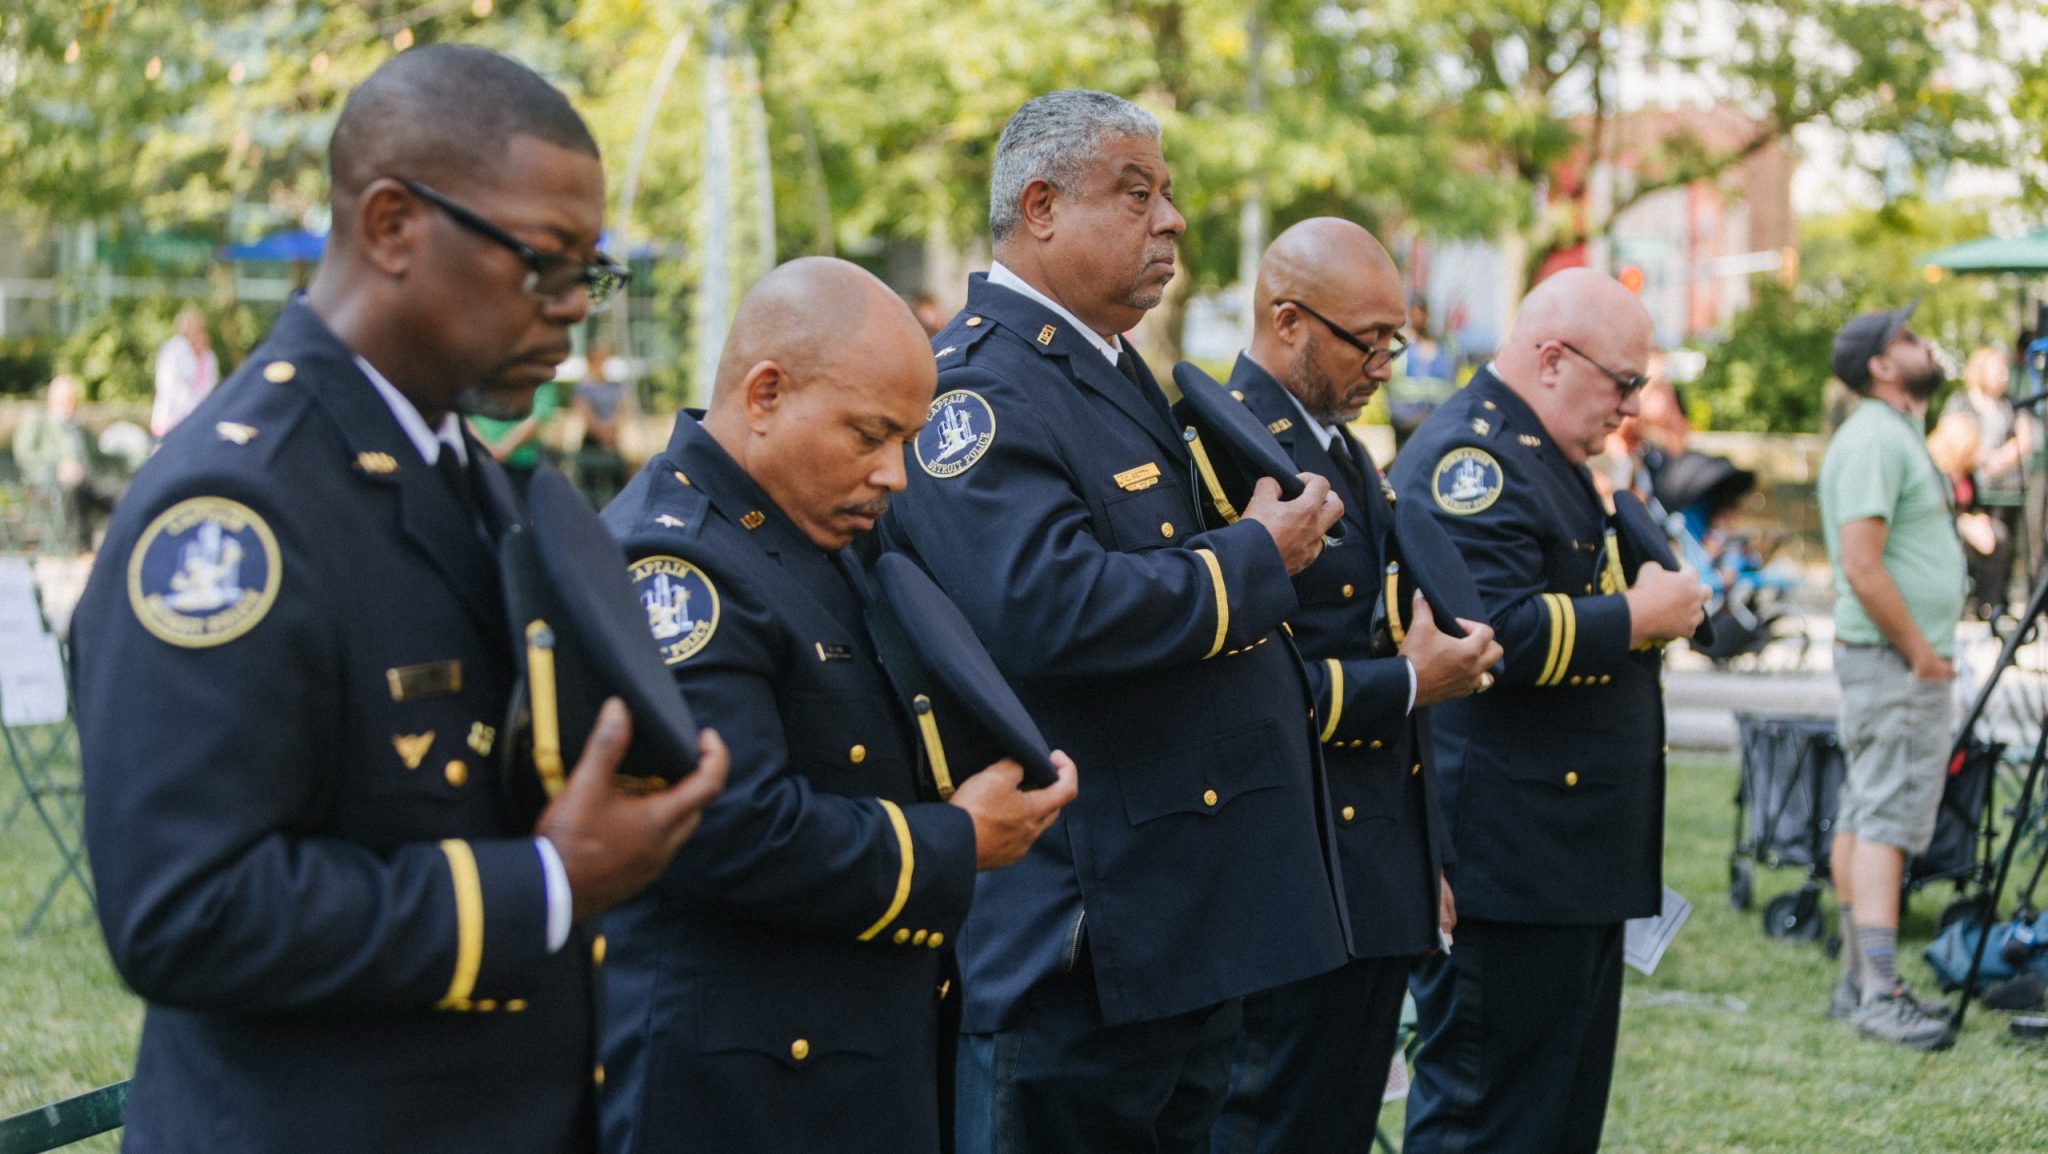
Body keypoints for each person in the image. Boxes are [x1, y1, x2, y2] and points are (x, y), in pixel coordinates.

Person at [70, 45, 727, 1152]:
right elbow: (184, 911)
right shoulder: (235, 510)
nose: (573, 306)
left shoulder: (457, 464)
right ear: (390, 226)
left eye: (589, 269)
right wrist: (548, 883)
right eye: (542, 261)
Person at [879, 89, 1350, 1153]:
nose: (1171, 219)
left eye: (1170, 193)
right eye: (1136, 193)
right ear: (1038, 207)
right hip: (1081, 933)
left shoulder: (1101, 363)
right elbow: (1041, 605)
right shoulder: (979, 389)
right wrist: (1250, 558)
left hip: (1174, 918)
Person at [595, 257, 1078, 1154]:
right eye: (869, 434)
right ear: (766, 394)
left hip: (843, 1059)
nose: (895, 473)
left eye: (906, 440)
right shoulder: (678, 568)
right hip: (737, 1091)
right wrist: (957, 842)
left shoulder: (806, 530)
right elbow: (729, 829)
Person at [1389, 268, 1708, 1153]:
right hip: (1509, 858)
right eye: (1624, 381)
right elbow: (1492, 634)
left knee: (1556, 1116)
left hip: (1565, 855)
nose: (1632, 406)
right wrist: (1638, 619)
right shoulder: (1475, 459)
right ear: (1554, 359)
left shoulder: (1547, 456)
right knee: (1488, 1116)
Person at [1209, 219, 1502, 1151]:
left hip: (1366, 870)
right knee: (1274, 1123)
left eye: (1396, 339)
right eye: (1367, 339)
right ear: (1287, 320)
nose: (1386, 362)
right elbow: (1250, 688)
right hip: (1287, 870)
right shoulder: (1227, 446)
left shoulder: (1338, 448)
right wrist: (1411, 684)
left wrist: (1423, 864)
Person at [1819, 302, 1966, 1051]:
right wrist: (1920, 652)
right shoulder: (1877, 436)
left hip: (1884, 659)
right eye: (1910, 337)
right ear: (1881, 364)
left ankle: (1856, 983)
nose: (1925, 342)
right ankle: (1881, 991)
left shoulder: (1889, 434)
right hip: (1894, 661)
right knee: (1885, 819)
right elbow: (1861, 564)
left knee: (1862, 810)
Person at [1942, 345, 2028, 617]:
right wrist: (1979, 458)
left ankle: (1991, 602)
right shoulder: (1960, 402)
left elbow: (2025, 437)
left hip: (2005, 489)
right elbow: (1951, 439)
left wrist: (2003, 457)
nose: (2003, 375)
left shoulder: (2009, 405)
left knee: (2002, 541)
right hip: (1968, 491)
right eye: (1997, 369)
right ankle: (1967, 597)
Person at [12, 373, 111, 553]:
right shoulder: (38, 420)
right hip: (49, 483)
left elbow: (101, 456)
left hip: (88, 482)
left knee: (120, 494)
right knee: (72, 489)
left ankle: (123, 546)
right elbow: (24, 454)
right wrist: (57, 466)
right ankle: (82, 549)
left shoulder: (78, 427)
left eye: (72, 398)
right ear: (52, 398)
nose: (71, 403)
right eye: (66, 398)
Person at [569, 342, 629, 506]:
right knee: (589, 490)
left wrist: (610, 429)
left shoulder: (615, 385)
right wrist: (602, 432)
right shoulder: (583, 387)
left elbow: (623, 408)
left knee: (619, 485)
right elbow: (584, 411)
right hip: (592, 441)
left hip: (612, 440)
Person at [150, 304, 219, 440]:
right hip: (172, 420)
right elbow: (168, 387)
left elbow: (209, 388)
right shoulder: (173, 350)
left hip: (197, 423)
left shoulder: (208, 356)